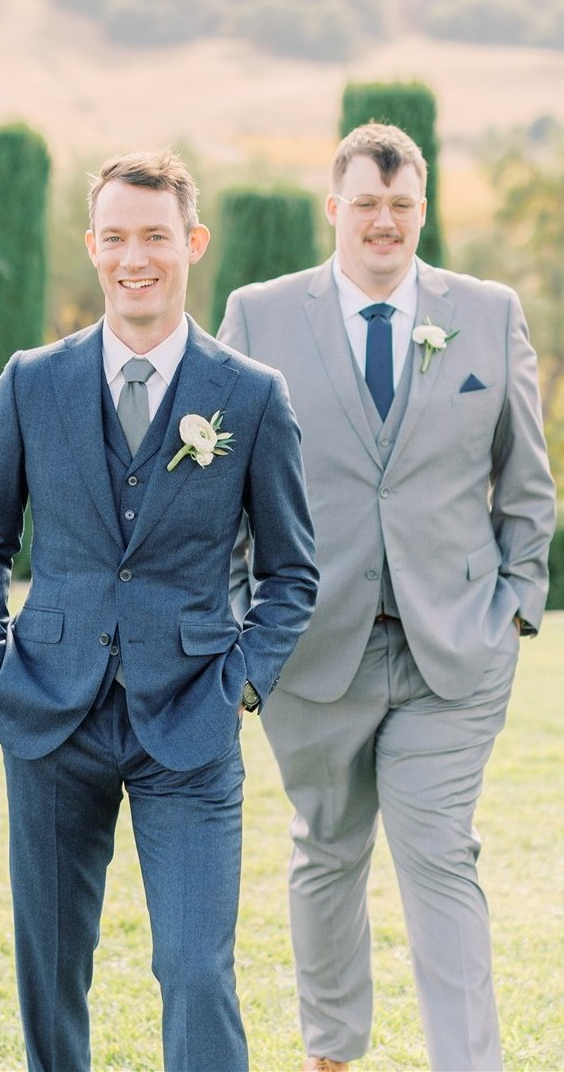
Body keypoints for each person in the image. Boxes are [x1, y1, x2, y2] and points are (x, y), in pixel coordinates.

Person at [0, 150, 318, 1072]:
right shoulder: (30, 381)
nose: (134, 257)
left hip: (191, 718)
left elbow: (292, 575)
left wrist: (238, 685)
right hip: (47, 712)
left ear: (191, 242)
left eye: (155, 235)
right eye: (114, 237)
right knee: (50, 965)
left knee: (195, 968)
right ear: (91, 246)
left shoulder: (251, 394)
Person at [218, 122, 556, 1072]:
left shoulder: (486, 313)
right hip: (309, 648)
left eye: (401, 204)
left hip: (453, 648)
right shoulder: (258, 315)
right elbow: (223, 489)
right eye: (365, 204)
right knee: (326, 850)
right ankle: (331, 1054)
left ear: (423, 208)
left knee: (440, 856)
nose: (383, 222)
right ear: (334, 208)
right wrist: (248, 623)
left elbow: (526, 482)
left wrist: (516, 604)